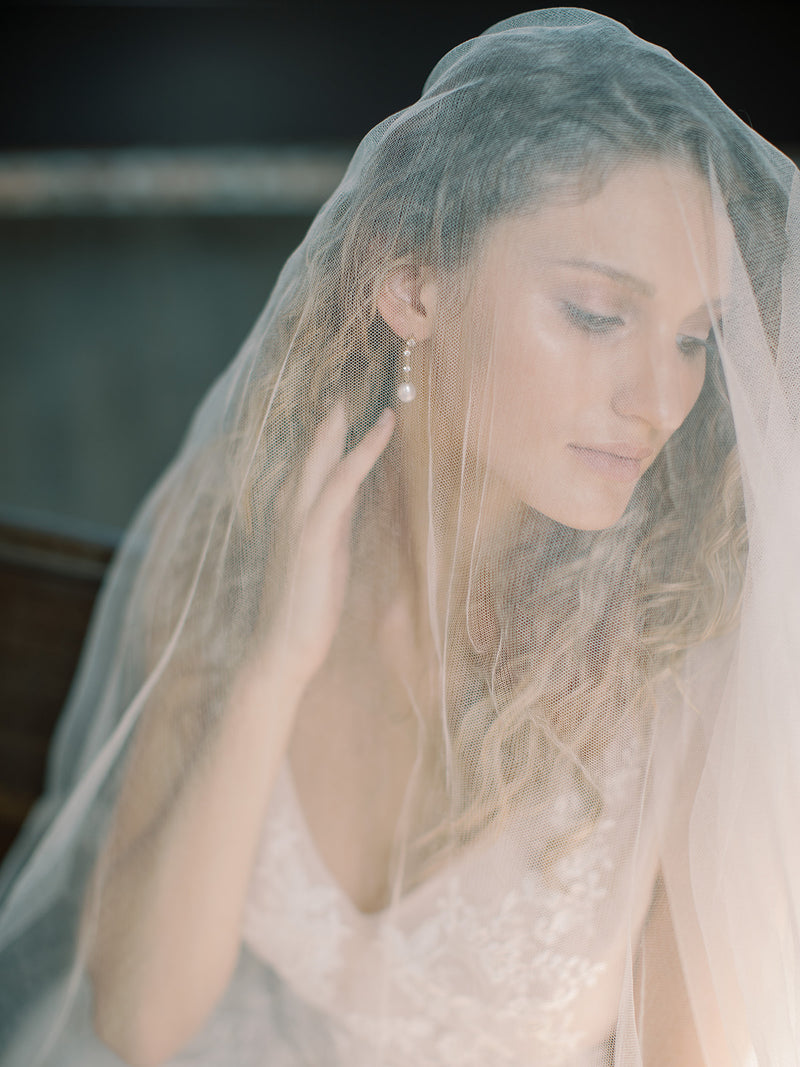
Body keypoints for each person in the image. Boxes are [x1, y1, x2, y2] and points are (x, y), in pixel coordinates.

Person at [0, 8, 798, 1065]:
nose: (660, 398)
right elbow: (139, 1022)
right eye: (599, 315)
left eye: (694, 337)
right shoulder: (243, 536)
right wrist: (272, 665)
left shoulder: (681, 654)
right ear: (411, 285)